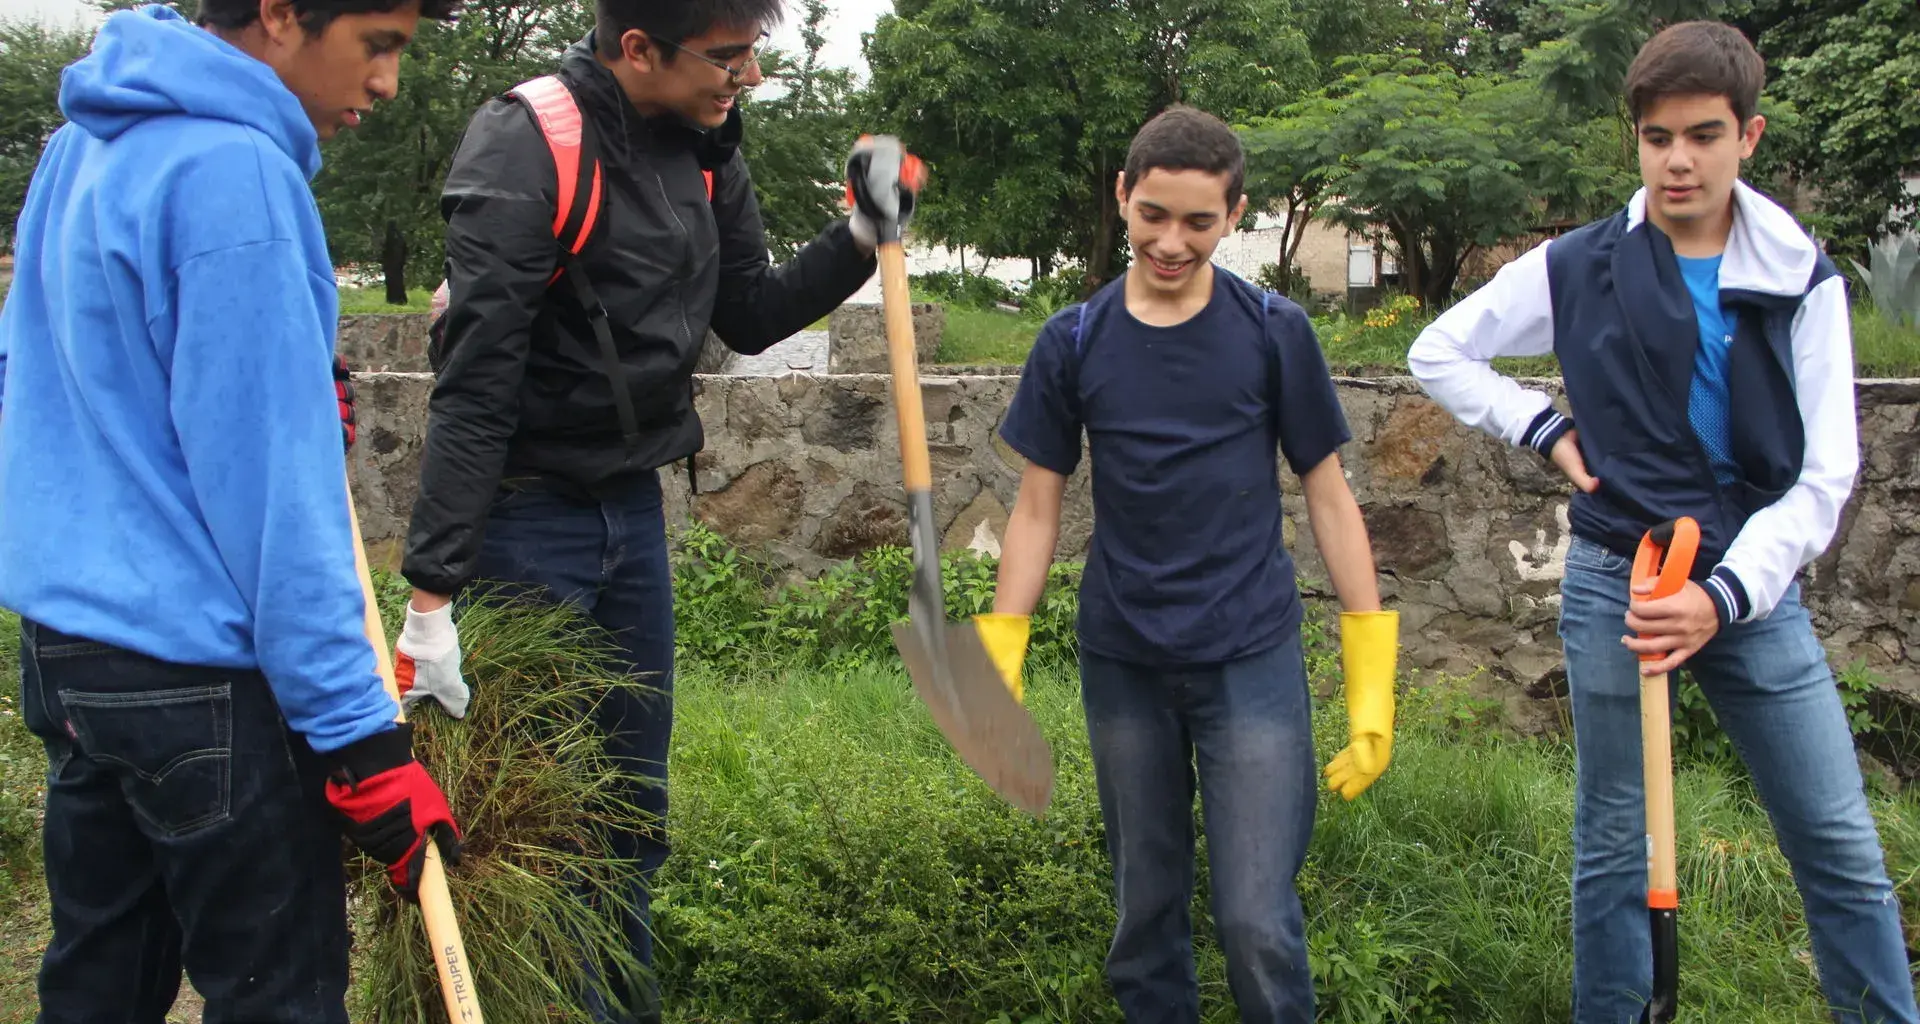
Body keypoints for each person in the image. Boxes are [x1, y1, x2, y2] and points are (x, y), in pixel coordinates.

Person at [391, 0, 919, 1018]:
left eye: (754, 51)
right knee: (549, 822)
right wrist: (431, 597)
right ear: (638, 48)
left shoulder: (705, 142)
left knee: (631, 815)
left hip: (629, 510)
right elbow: (478, 380)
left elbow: (749, 311)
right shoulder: (529, 142)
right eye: (729, 56)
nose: (748, 76)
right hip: (524, 522)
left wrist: (860, 234)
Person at [1407, 21, 1919, 1024]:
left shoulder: (1800, 278)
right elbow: (1439, 351)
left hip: (1749, 587)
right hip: (1621, 581)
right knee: (1614, 838)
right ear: (1636, 139)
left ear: (1748, 136)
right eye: (1657, 137)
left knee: (1836, 838)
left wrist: (1721, 597)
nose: (1679, 159)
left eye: (1704, 135)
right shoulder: (1579, 264)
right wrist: (1545, 427)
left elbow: (1825, 476)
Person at [0, 1, 464, 1022]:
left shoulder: (79, 144)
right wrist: (361, 742)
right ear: (281, 13)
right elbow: (278, 510)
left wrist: (283, 378)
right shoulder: (236, 172)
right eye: (378, 44)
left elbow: (34, 376)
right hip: (200, 681)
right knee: (276, 995)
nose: (387, 82)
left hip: (69, 658)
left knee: (99, 986)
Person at [972, 104, 1400, 1024]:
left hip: (1249, 658)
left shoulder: (1274, 331)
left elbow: (1330, 498)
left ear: (1235, 214)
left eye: (1199, 222)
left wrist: (1372, 681)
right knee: (1145, 912)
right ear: (1122, 195)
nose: (1171, 242)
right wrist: (1001, 646)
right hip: (1123, 660)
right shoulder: (1073, 340)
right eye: (1153, 215)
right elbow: (1037, 507)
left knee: (1257, 921)